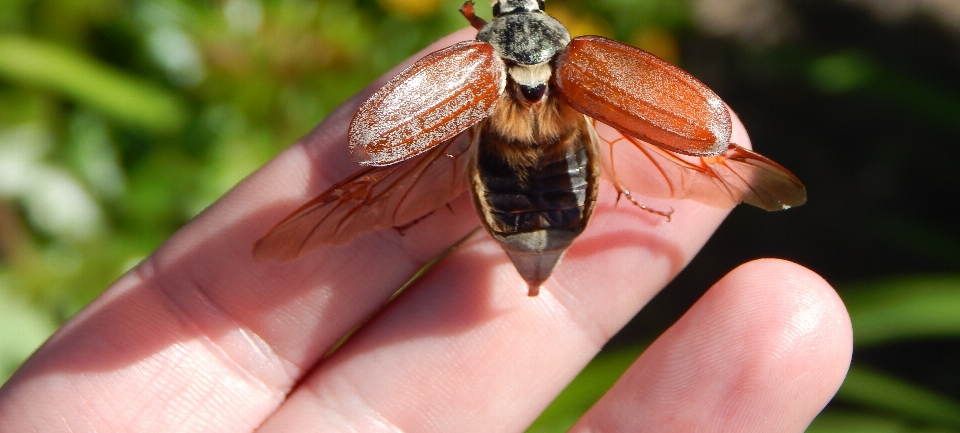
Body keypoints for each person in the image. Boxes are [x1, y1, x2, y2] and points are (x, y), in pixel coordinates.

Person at [0, 31, 851, 432]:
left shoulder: (507, 68)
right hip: (557, 184)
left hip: (508, 181)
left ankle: (531, 245)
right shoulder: (580, 66)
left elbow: (384, 146)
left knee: (367, 188)